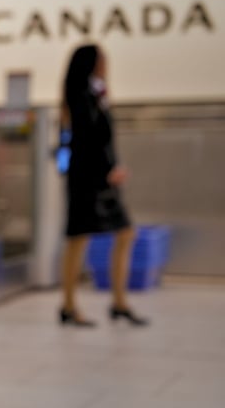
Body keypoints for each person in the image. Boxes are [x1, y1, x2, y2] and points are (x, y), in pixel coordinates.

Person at [58, 44, 148, 327]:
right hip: (89, 179)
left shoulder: (96, 93)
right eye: (102, 60)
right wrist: (107, 171)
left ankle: (118, 302)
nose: (107, 64)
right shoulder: (81, 95)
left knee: (124, 233)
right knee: (78, 239)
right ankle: (69, 306)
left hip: (100, 177)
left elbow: (104, 139)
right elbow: (87, 141)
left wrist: (113, 167)